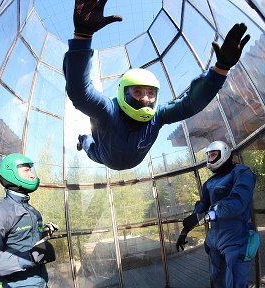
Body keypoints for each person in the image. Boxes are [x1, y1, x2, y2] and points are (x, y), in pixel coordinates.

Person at [63, 0, 250, 170]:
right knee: (90, 147)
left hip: (124, 157)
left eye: (151, 93)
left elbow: (191, 104)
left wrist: (221, 69)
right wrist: (82, 36)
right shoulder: (108, 110)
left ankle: (86, 140)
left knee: (95, 149)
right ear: (123, 93)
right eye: (137, 92)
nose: (145, 98)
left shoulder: (157, 116)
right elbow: (80, 93)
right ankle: (83, 138)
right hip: (103, 155)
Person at [176, 141, 257, 288]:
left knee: (236, 283)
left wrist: (206, 216)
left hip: (236, 239)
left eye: (213, 154)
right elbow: (200, 208)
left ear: (224, 153)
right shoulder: (209, 183)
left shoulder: (242, 172)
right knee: (217, 280)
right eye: (208, 155)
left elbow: (237, 203)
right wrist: (184, 231)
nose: (210, 159)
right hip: (214, 240)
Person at [0, 153, 58, 288]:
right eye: (26, 170)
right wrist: (29, 258)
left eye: (31, 170)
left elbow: (23, 237)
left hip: (41, 283)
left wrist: (43, 230)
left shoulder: (32, 211)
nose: (32, 175)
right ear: (11, 173)